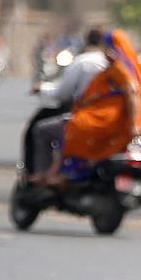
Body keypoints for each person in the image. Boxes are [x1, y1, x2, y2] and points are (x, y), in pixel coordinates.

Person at [33, 29, 141, 185]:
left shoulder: (119, 69)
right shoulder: (118, 68)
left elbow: (132, 93)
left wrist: (135, 125)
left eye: (107, 47)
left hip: (103, 119)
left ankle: (57, 174)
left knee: (68, 129)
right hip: (105, 116)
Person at [29, 28, 109, 182]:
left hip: (89, 120)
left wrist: (43, 88)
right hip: (113, 122)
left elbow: (62, 93)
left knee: (41, 130)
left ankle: (43, 176)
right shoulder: (116, 65)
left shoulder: (83, 62)